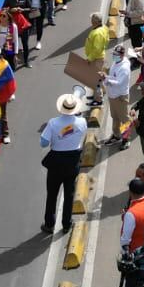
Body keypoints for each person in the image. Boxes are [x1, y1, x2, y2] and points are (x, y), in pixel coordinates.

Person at [40, 92, 87, 235]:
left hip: (56, 162)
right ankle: (66, 224)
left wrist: (56, 138)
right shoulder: (82, 122)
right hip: (72, 161)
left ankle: (49, 224)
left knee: (52, 194)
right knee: (69, 194)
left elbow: (43, 143)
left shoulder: (53, 123)